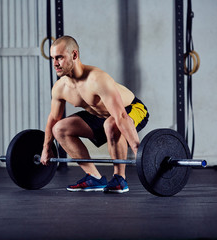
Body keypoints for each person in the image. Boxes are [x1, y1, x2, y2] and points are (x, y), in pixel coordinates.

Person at [40, 36, 149, 193]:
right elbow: (53, 118)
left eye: (60, 57)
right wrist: (46, 148)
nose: (55, 63)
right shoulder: (60, 88)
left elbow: (120, 116)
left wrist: (139, 150)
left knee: (111, 123)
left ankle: (119, 178)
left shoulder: (96, 79)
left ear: (74, 55)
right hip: (101, 117)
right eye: (53, 58)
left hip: (131, 109)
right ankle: (94, 177)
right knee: (59, 129)